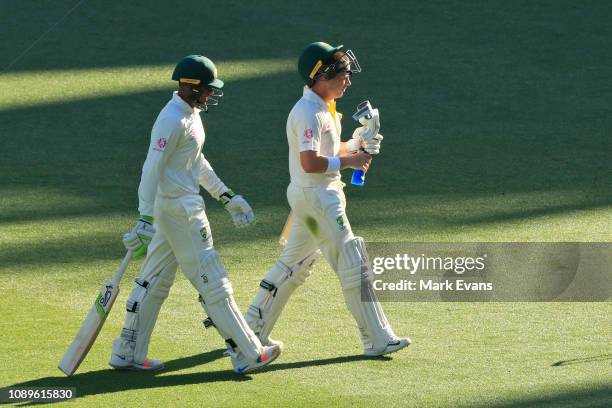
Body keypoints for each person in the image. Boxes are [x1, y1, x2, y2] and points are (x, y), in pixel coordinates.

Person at [109, 55, 281, 373]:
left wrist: (226, 196)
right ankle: (248, 353)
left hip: (176, 210)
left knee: (154, 281)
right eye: (207, 89)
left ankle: (127, 349)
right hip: (180, 212)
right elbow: (151, 167)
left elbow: (196, 161)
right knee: (213, 281)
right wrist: (145, 215)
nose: (210, 94)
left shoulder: (190, 114)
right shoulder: (171, 119)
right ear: (189, 87)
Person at [245, 42, 411, 356]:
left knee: (294, 265)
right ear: (322, 75)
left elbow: (329, 152)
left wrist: (357, 144)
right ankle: (377, 339)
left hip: (313, 198)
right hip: (318, 197)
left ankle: (248, 330)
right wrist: (350, 162)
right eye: (344, 74)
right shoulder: (308, 113)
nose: (348, 80)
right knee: (352, 261)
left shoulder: (323, 109)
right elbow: (311, 163)